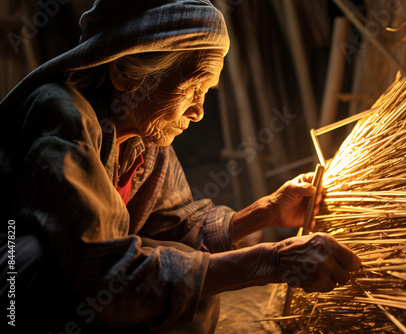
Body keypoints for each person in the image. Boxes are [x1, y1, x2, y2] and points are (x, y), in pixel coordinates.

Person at [0, 0, 361, 333]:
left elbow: (176, 223)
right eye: (192, 88)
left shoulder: (141, 138)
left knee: (187, 272)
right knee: (28, 257)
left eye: (207, 92)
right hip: (16, 298)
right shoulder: (62, 117)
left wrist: (266, 212)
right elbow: (105, 275)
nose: (199, 110)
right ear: (125, 74)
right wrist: (272, 262)